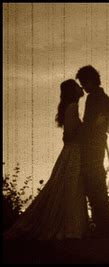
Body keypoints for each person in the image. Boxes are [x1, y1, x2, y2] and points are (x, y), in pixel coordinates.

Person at [4, 79, 88, 240]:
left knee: (66, 188)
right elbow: (70, 134)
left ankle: (71, 228)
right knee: (71, 188)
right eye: (78, 85)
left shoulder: (70, 108)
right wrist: (87, 131)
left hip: (72, 152)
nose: (81, 86)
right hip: (73, 153)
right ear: (73, 91)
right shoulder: (73, 107)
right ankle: (71, 229)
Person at [75, 65, 109, 238]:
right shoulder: (107, 100)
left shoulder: (93, 99)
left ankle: (101, 226)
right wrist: (106, 124)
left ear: (91, 81)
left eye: (84, 83)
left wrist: (91, 127)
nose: (83, 88)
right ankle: (103, 224)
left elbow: (89, 125)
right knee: (97, 184)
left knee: (92, 185)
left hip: (91, 148)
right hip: (98, 147)